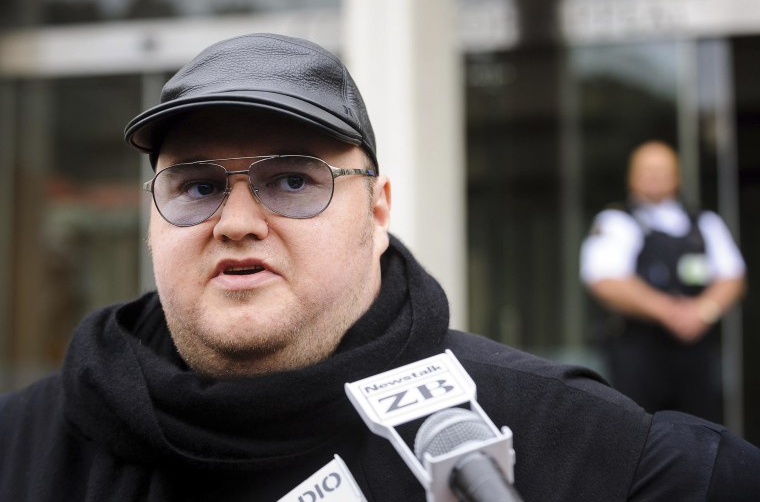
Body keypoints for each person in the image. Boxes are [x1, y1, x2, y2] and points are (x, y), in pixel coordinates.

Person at [0, 34, 757, 502]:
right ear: (151, 221)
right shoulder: (26, 447)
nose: (235, 222)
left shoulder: (574, 444)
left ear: (379, 212)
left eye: (292, 180)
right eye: (196, 186)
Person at [580, 140, 746, 422]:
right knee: (638, 434)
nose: (654, 176)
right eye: (647, 169)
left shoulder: (704, 222)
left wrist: (703, 311)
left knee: (701, 435)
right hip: (637, 353)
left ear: (678, 175)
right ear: (631, 176)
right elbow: (605, 280)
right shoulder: (615, 221)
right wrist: (669, 312)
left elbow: (733, 276)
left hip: (694, 354)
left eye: (662, 169)